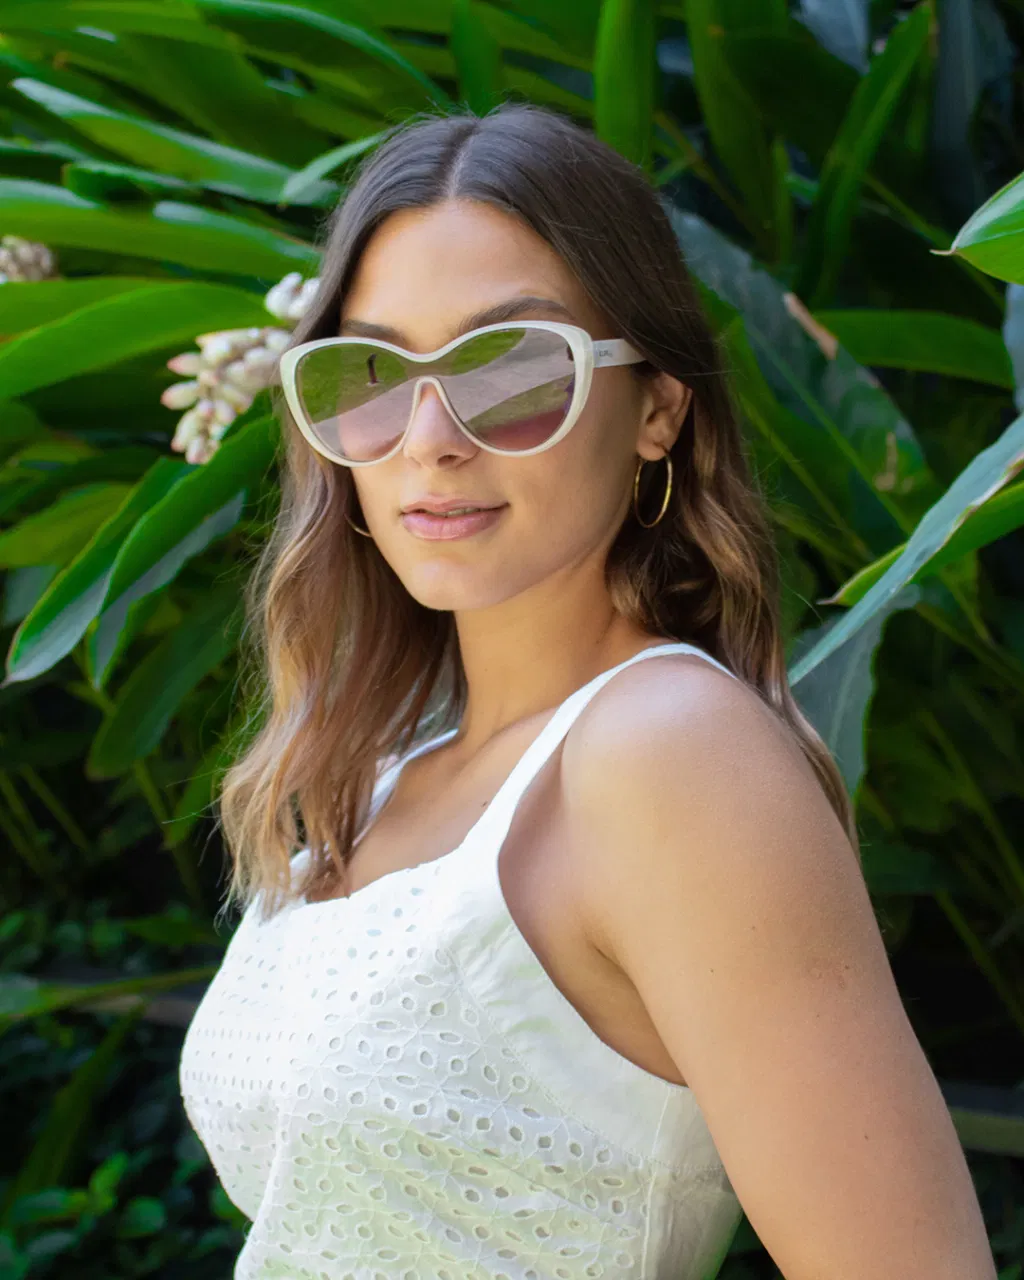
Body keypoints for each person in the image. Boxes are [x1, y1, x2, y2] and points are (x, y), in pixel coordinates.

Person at [179, 103, 996, 1279]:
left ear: (656, 409)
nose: (429, 437)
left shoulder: (671, 754)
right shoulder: (395, 764)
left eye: (513, 369)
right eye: (371, 372)